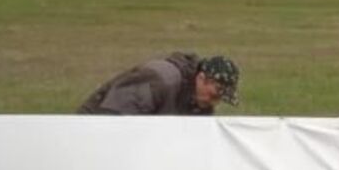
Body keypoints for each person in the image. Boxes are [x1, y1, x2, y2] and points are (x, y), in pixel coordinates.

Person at [76, 53, 240, 116]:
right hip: (93, 128)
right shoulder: (160, 80)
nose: (215, 102)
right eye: (216, 93)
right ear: (201, 78)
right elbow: (113, 118)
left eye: (220, 98)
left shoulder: (201, 104)